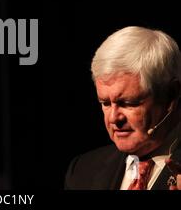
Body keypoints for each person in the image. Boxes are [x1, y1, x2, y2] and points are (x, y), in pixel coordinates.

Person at [65, 26, 181, 190]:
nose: (113, 118)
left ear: (171, 95)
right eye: (105, 103)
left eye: (128, 103)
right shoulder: (83, 170)